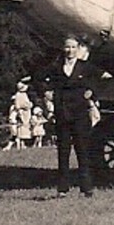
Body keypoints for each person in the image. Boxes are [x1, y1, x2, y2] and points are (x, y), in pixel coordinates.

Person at [43, 35, 101, 196]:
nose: (70, 51)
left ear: (78, 49)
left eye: (73, 47)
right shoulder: (56, 67)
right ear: (63, 49)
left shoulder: (85, 67)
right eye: (67, 47)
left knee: (82, 150)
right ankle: (62, 188)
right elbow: (40, 79)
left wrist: (91, 92)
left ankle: (86, 187)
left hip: (80, 113)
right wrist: (47, 92)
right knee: (63, 151)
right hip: (62, 113)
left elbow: (97, 81)